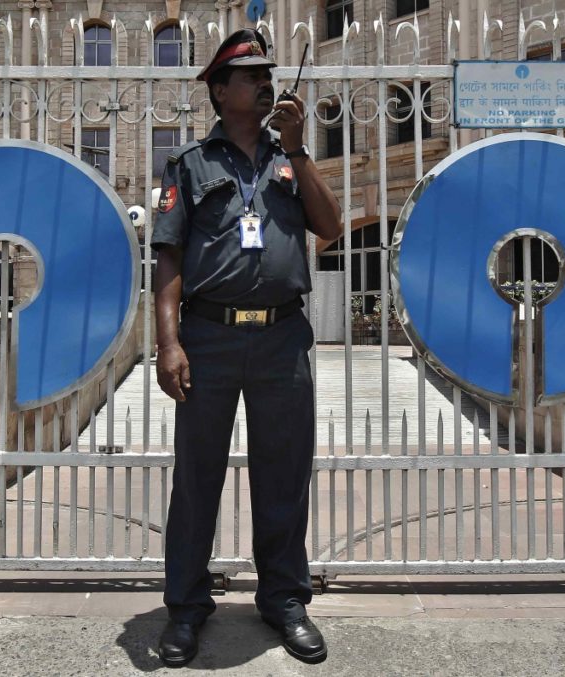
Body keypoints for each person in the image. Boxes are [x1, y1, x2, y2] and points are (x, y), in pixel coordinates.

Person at [150, 28, 342, 667]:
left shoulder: (290, 160)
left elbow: (331, 228)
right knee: (197, 477)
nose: (265, 83)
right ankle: (184, 608)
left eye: (268, 74)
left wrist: (301, 151)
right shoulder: (190, 165)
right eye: (251, 75)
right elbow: (169, 256)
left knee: (284, 475)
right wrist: (169, 342)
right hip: (209, 336)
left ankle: (284, 600)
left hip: (283, 338)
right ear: (219, 90)